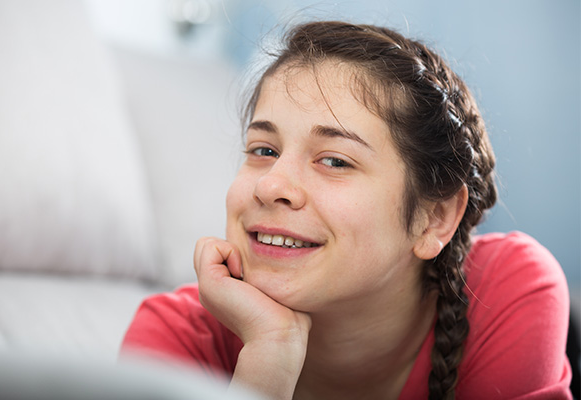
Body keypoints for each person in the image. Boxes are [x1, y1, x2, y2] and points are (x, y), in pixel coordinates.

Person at [121, 21, 572, 399]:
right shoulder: (171, 337)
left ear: (433, 218)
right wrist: (270, 355)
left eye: (335, 160)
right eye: (263, 149)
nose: (271, 184)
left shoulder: (509, 291)